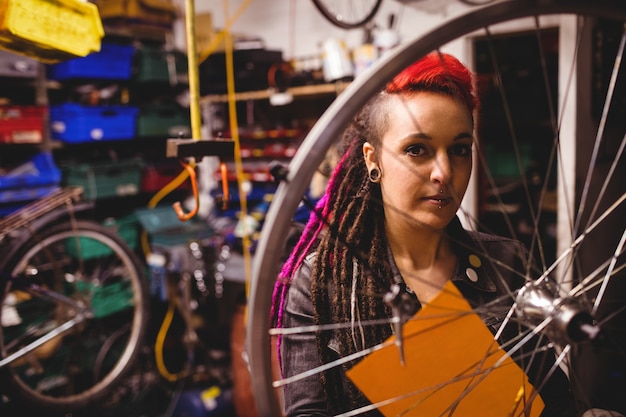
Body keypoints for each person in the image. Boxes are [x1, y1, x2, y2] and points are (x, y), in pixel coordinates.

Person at [270, 52, 576, 416]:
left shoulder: (506, 262)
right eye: (417, 150)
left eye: (460, 150)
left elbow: (554, 400)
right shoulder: (320, 281)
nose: (443, 172)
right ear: (374, 160)